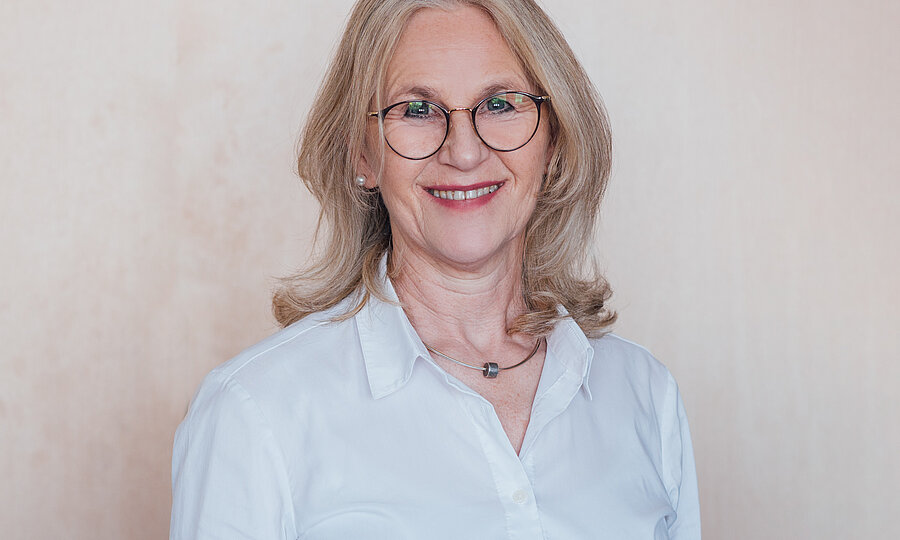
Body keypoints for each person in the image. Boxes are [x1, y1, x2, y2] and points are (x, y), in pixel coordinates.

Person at [170, 0, 701, 538]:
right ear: (361, 153)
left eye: (500, 104)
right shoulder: (253, 412)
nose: (464, 152)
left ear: (553, 142)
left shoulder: (644, 395)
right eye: (418, 110)